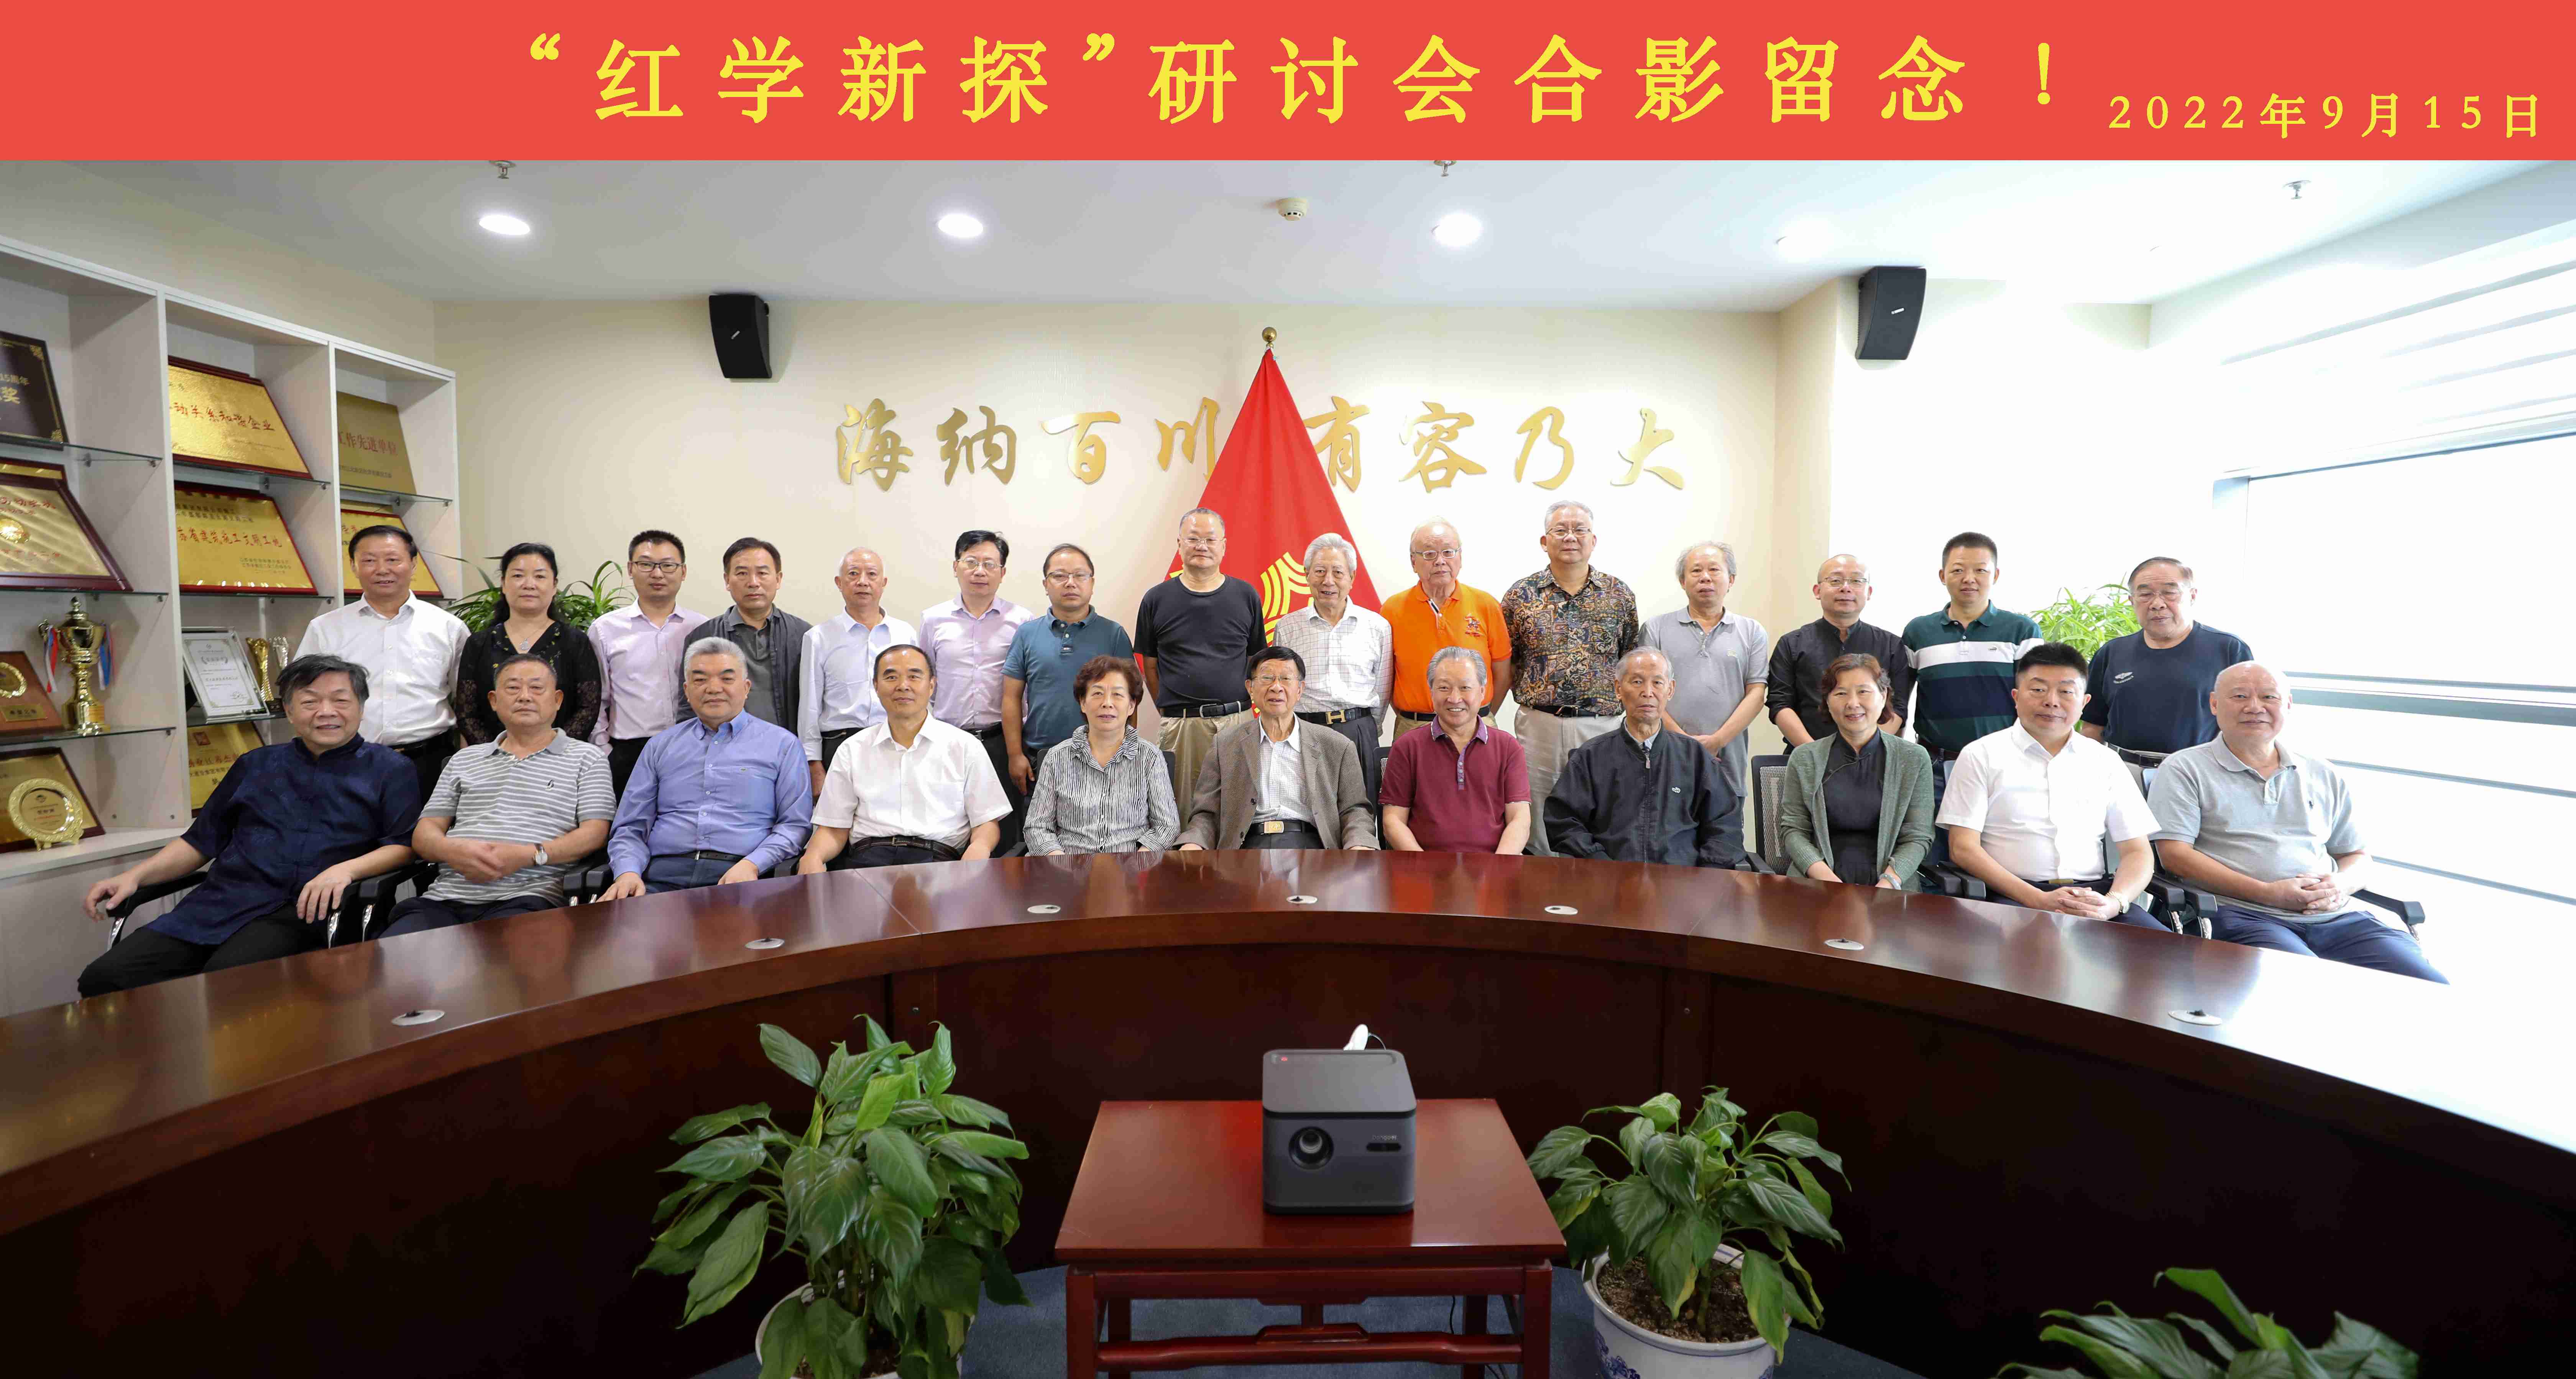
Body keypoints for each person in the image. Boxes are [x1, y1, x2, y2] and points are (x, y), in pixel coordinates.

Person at [76, 656, 420, 996]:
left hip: (310, 910)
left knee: (228, 981)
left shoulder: (391, 769)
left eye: (341, 701)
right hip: (223, 902)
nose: (326, 712)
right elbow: (200, 841)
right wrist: (134, 877)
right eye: (310, 702)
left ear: (361, 708)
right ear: (289, 711)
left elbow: (403, 846)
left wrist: (345, 870)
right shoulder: (255, 764)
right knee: (105, 978)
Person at [2150, 662, 2446, 981]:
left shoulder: (2322, 772)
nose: (2255, 707)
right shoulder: (2184, 769)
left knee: (2428, 984)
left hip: (2338, 917)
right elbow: (2175, 855)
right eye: (2240, 696)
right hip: (2242, 914)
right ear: (2214, 704)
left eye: (2269, 697)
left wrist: (2341, 885)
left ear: (2288, 705)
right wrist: (2268, 893)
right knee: (2305, 984)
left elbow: (2357, 855)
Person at [384, 653, 615, 935]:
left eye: (537, 688)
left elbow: (595, 833)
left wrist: (530, 855)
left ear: (557, 700)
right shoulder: (464, 760)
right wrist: (453, 851)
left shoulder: (586, 758)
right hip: (445, 898)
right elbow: (425, 833)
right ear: (494, 701)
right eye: (513, 688)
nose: (525, 697)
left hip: (530, 897)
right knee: (397, 952)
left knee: (505, 956)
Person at [1937, 644, 2164, 928]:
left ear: (2085, 702)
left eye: (2066, 692)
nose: (2052, 701)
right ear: (2016, 697)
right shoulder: (1980, 755)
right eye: (2038, 690)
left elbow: (2138, 852)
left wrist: (2114, 903)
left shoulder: (2105, 761)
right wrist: (2038, 900)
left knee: (2164, 950)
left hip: (2094, 899)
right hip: (2011, 897)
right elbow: (1963, 848)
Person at [601, 639, 811, 898]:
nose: (713, 689)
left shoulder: (782, 745)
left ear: (746, 688)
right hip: (660, 877)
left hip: (740, 877)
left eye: (727, 679)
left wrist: (753, 864)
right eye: (700, 680)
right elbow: (630, 828)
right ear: (687, 691)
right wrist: (627, 873)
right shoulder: (660, 746)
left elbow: (795, 826)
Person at [1503, 501, 1640, 856]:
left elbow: (1629, 660)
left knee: (1602, 805)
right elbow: (1508, 659)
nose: (1570, 537)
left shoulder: (1619, 595)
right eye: (1560, 530)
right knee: (1536, 811)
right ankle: (1539, 881)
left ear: (1593, 540)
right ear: (1544, 541)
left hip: (1602, 725)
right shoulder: (1520, 596)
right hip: (1540, 724)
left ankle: (1599, 880)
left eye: (1580, 530)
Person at [798, 644, 1011, 871]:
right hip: (867, 864)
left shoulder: (965, 746)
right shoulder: (852, 749)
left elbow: (986, 822)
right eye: (891, 677)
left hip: (939, 864)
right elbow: (833, 829)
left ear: (932, 685)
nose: (903, 686)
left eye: (914, 676)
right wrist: (813, 857)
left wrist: (979, 849)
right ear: (876, 686)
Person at [297, 524, 469, 803]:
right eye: (369, 561)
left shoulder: (449, 627)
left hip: (428, 763)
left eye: (392, 559)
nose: (382, 569)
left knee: (426, 832)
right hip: (346, 761)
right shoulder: (325, 628)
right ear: (353, 566)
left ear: (413, 564)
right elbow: (302, 695)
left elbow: (467, 701)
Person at [1902, 533, 2043, 863]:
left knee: (1998, 859)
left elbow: (2035, 700)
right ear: (1943, 575)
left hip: (2002, 767)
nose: (1969, 578)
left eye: (1980, 570)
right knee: (1934, 859)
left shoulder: (2022, 630)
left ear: (1996, 575)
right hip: (1935, 766)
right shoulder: (1918, 632)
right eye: (1958, 570)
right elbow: (1898, 701)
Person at [1543, 648, 1745, 868]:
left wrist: (1706, 874)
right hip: (1611, 878)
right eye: (1637, 682)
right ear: (1618, 689)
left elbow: (1726, 826)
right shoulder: (1591, 756)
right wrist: (1601, 865)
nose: (1648, 692)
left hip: (1681, 880)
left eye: (1658, 683)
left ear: (1670, 690)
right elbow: (1564, 822)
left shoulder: (1695, 757)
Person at [1176, 646, 1376, 851]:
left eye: (1286, 679)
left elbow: (1355, 811)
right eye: (1267, 678)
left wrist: (1359, 845)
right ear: (1250, 687)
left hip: (1312, 847)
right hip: (1246, 848)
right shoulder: (1225, 744)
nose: (1276, 687)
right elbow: (1206, 814)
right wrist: (1194, 843)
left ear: (1300, 689)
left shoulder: (1337, 745)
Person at [920, 529, 1038, 853]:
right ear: (956, 567)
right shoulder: (933, 620)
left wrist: (1017, 750)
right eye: (971, 562)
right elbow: (927, 682)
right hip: (948, 742)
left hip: (1002, 742)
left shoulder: (1022, 621)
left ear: (1003, 572)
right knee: (948, 828)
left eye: (989, 564)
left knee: (1005, 833)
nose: (980, 571)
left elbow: (1027, 687)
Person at [1137, 508, 1266, 801]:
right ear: (1179, 544)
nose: (1202, 546)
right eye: (1193, 539)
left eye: (1210, 539)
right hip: (1181, 727)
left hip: (1238, 721)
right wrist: (1174, 713)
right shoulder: (1155, 599)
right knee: (1182, 812)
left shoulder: (1246, 596)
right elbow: (1150, 668)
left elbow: (1256, 662)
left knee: (1240, 809)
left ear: (1224, 546)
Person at [1777, 654, 1935, 891]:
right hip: (1817, 884)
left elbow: (1918, 836)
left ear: (1883, 696)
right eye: (1841, 693)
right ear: (1828, 702)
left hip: (1891, 887)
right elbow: (1794, 830)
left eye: (1863, 692)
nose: (1852, 703)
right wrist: (1830, 883)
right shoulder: (1804, 758)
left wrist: (1888, 884)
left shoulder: (1913, 758)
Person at [2081, 556, 2254, 763]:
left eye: (2170, 593)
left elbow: (2247, 723)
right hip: (2122, 769)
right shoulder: (2112, 652)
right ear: (2132, 601)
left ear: (2192, 596)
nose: (2157, 604)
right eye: (2145, 595)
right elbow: (2093, 726)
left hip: (2196, 769)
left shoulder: (2229, 649)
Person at [1002, 542, 1134, 803]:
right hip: (1040, 757)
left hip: (1102, 758)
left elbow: (1130, 699)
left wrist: (1126, 754)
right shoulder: (1027, 634)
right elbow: (1010, 697)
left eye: (1080, 575)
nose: (1070, 583)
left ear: (1092, 583)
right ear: (1046, 584)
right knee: (1041, 827)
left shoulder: (1114, 634)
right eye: (1060, 576)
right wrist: (1015, 754)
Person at [1639, 541, 1770, 800]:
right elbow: (1647, 692)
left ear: (1731, 580)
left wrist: (1718, 740)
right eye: (1696, 571)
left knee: (1725, 821)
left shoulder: (1752, 631)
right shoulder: (1656, 629)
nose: (1706, 577)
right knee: (1663, 817)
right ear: (1683, 581)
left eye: (1714, 570)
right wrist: (1684, 742)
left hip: (1728, 758)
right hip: (1666, 753)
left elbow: (1757, 694)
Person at [1270, 533, 1394, 802]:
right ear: (1306, 575)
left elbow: (1383, 689)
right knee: (1307, 810)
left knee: (1360, 812)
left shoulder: (1377, 627)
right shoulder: (1288, 627)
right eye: (1320, 571)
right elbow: (1282, 688)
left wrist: (1365, 727)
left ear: (1352, 577)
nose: (1328, 581)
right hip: (1305, 730)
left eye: (1338, 572)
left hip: (1358, 730)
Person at [589, 529, 708, 797]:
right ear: (631, 569)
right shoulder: (605, 629)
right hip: (628, 753)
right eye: (646, 564)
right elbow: (597, 700)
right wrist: (604, 753)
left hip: (692, 748)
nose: (657, 574)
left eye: (668, 565)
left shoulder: (701, 627)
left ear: (683, 572)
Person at [1023, 654, 1180, 855]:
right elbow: (1037, 827)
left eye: (1118, 695)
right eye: (1098, 694)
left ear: (1132, 705)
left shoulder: (1150, 758)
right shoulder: (1057, 758)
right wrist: (1061, 864)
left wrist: (1138, 863)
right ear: (1083, 703)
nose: (1107, 703)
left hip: (1132, 865)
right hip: (1069, 864)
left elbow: (1167, 826)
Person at [1381, 646, 1531, 855]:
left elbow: (1519, 819)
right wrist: (1422, 865)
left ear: (1482, 691)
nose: (1454, 698)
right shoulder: (1407, 747)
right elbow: (1393, 821)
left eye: (1465, 688)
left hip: (1492, 865)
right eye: (1444, 688)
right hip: (1424, 865)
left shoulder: (1508, 748)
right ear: (1431, 691)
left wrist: (1499, 865)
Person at [450, 541, 603, 746]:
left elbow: (588, 709)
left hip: (561, 757)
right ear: (504, 584)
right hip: (493, 758)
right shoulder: (479, 644)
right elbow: (467, 713)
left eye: (540, 577)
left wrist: (553, 751)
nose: (529, 585)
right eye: (518, 576)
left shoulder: (575, 642)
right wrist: (499, 752)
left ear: (554, 586)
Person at [798, 546, 917, 795]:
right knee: (843, 818)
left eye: (872, 574)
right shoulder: (818, 638)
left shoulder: (904, 633)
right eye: (853, 574)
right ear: (839, 583)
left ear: (883, 583)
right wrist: (814, 765)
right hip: (839, 744)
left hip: (897, 742)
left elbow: (920, 695)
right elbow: (810, 706)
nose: (863, 582)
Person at [1381, 518, 1512, 736]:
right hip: (1414, 727)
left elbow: (1503, 673)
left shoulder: (1486, 605)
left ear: (1460, 558)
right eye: (1429, 554)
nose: (1440, 561)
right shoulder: (1392, 610)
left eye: (1449, 552)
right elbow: (1387, 677)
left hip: (1477, 723)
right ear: (1413, 562)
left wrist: (1479, 712)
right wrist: (1412, 716)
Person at [1766, 554, 1912, 747]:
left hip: (1874, 758)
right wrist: (1814, 754)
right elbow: (1780, 703)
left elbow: (1898, 707)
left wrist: (1867, 751)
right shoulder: (1791, 644)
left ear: (1869, 592)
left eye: (1857, 581)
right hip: (1805, 754)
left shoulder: (1891, 645)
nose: (1846, 588)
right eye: (1835, 581)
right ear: (1818, 591)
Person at [679, 537, 810, 735]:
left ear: (778, 579)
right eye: (742, 573)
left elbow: (816, 704)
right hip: (722, 746)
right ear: (727, 580)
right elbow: (688, 706)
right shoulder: (703, 637)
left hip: (787, 746)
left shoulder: (803, 635)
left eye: (762, 573)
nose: (753, 583)